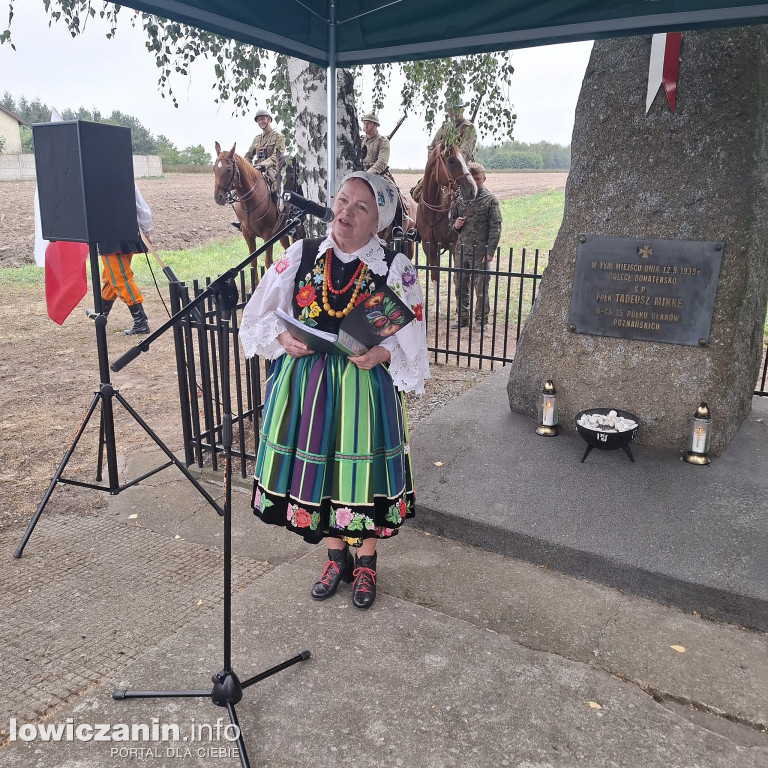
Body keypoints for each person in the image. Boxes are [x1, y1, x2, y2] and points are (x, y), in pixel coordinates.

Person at [239, 171, 429, 610]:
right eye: (343, 200)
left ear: (377, 221)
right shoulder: (302, 254)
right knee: (323, 471)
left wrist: (382, 355)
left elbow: (412, 343)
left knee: (356, 473)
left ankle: (365, 562)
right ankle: (334, 555)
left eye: (360, 207)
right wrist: (281, 339)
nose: (345, 211)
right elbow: (259, 316)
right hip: (308, 387)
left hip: (363, 389)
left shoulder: (395, 268)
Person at [85, 185, 153, 335]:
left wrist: (146, 231)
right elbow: (143, 208)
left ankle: (141, 322)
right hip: (127, 233)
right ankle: (101, 314)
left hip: (109, 236)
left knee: (120, 278)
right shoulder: (124, 178)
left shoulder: (96, 182)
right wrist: (146, 229)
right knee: (112, 276)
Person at [450, 162, 502, 330]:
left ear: (484, 179)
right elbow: (452, 221)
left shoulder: (490, 200)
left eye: (478, 178)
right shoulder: (461, 199)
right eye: (472, 178)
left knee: (481, 288)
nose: (475, 181)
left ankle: (481, 320)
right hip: (462, 250)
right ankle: (462, 318)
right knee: (460, 286)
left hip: (480, 252)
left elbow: (496, 227)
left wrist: (490, 252)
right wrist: (455, 224)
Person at [244, 107, 286, 196]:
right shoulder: (257, 139)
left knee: (276, 188)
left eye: (263, 119)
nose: (261, 122)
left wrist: (263, 165)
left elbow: (276, 156)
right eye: (258, 120)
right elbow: (248, 156)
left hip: (272, 169)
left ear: (269, 119)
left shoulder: (279, 137)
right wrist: (249, 168)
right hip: (256, 169)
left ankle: (280, 207)